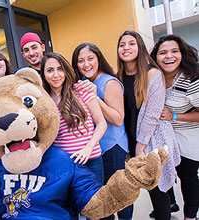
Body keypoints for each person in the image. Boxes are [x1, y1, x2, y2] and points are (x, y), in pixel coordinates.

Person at [117, 30, 180, 220]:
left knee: (157, 189)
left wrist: (140, 146)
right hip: (131, 139)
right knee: (151, 187)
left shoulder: (153, 74)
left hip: (152, 140)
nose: (126, 48)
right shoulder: (117, 77)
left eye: (131, 43)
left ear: (140, 47)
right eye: (122, 44)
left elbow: (153, 115)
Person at [72, 43, 132, 220]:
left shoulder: (108, 81)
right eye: (80, 61)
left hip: (112, 147)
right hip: (94, 149)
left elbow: (117, 118)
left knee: (119, 194)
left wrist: (95, 97)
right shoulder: (82, 83)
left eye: (90, 58)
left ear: (98, 59)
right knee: (102, 197)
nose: (86, 64)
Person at [150, 34, 199, 220]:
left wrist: (175, 116)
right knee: (162, 172)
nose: (168, 56)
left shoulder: (191, 79)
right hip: (165, 135)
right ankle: (170, 203)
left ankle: (191, 215)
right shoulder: (156, 77)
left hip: (188, 136)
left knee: (187, 177)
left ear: (182, 54)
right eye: (162, 52)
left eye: (174, 51)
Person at [40, 52, 107, 185]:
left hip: (91, 159)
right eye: (50, 70)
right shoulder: (44, 101)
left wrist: (89, 147)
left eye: (60, 69)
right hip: (64, 164)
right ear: (43, 74)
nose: (56, 74)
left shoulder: (81, 91)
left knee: (96, 203)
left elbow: (101, 123)